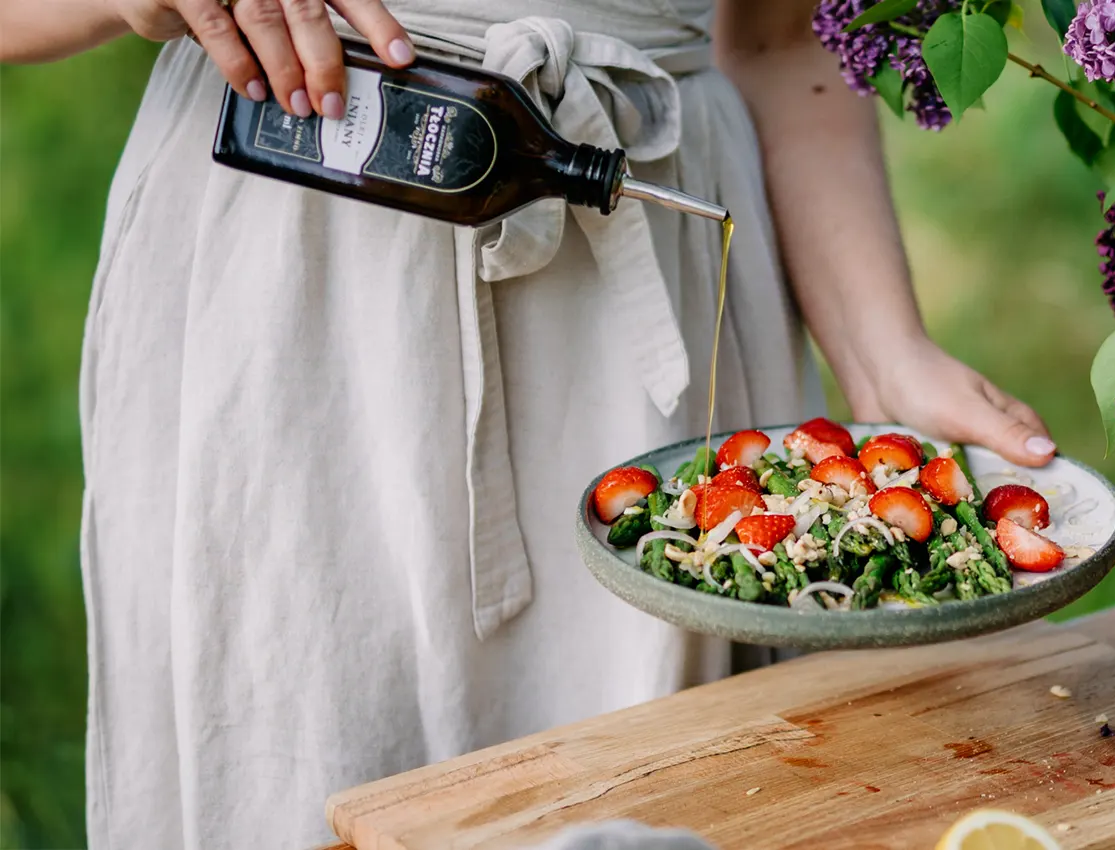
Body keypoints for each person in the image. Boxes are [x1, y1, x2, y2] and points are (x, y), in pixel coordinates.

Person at [0, 0, 1059, 846]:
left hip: (654, 283)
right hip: (298, 275)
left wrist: (883, 354)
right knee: (302, 758)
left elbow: (782, 40)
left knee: (663, 796)